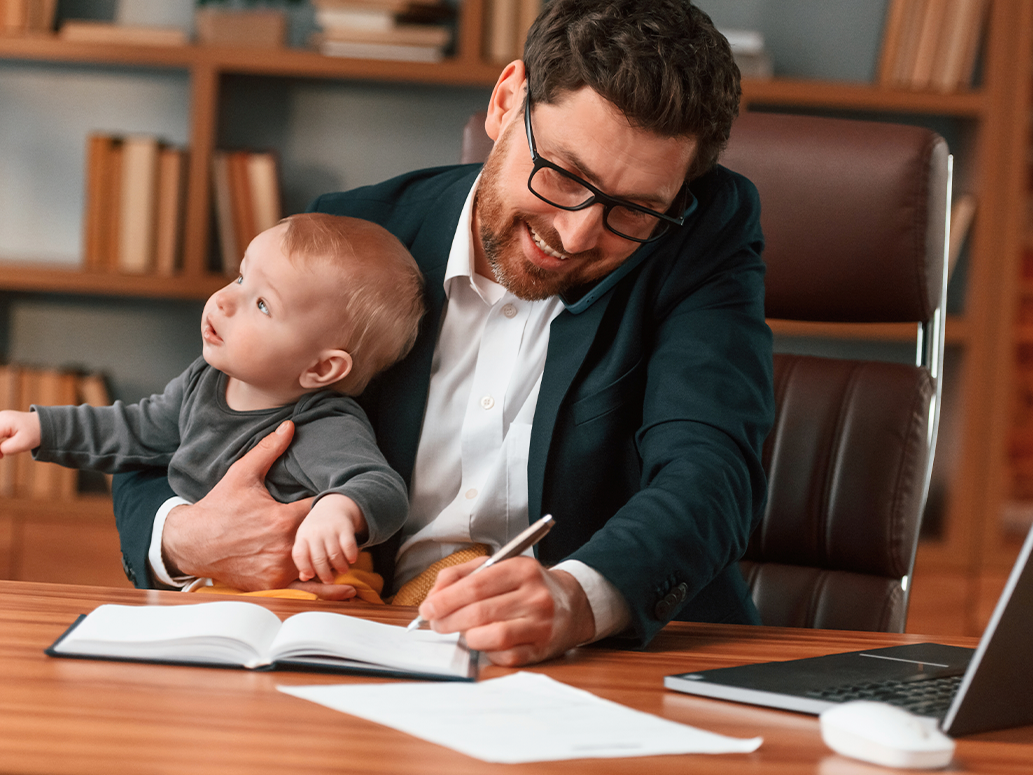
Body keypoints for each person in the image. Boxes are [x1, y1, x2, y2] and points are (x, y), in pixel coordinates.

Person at [112, 0, 775, 666]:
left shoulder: (697, 237)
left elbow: (711, 473)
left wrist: (576, 598)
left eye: (633, 210)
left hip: (610, 666)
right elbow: (166, 432)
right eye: (566, 175)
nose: (576, 234)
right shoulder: (351, 241)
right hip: (358, 648)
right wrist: (186, 536)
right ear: (506, 101)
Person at [0, 213, 425, 597]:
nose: (226, 300)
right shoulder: (203, 381)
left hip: (313, 588)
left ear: (321, 370)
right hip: (218, 583)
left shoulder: (323, 423)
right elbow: (135, 430)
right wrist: (43, 428)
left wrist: (338, 509)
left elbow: (380, 488)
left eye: (263, 305)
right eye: (240, 277)